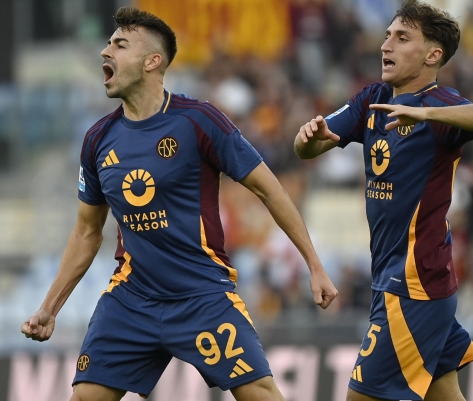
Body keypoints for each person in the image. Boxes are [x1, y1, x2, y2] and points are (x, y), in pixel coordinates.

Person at [21, 6, 338, 401]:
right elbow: (87, 232)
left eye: (119, 44)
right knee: (85, 397)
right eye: (108, 43)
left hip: (202, 296)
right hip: (131, 299)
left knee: (260, 394)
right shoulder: (97, 140)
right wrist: (49, 308)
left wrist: (314, 264)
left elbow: (270, 189)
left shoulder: (199, 121)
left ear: (152, 61)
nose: (106, 51)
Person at [294, 1, 473, 400]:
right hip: (402, 278)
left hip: (412, 284)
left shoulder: (440, 105)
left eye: (402, 37)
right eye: (388, 35)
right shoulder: (372, 98)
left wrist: (428, 117)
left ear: (433, 55)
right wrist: (307, 138)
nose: (385, 44)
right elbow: (307, 150)